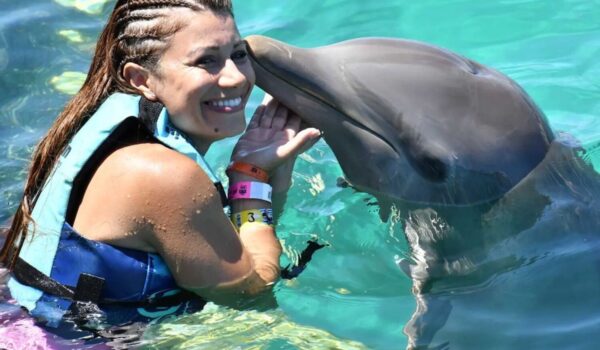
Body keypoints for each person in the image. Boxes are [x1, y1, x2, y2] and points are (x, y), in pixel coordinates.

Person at [0, 0, 321, 327]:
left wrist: (271, 175)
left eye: (238, 54)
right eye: (206, 61)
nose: (236, 77)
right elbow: (252, 295)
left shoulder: (104, 121)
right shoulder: (164, 175)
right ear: (141, 79)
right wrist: (250, 179)